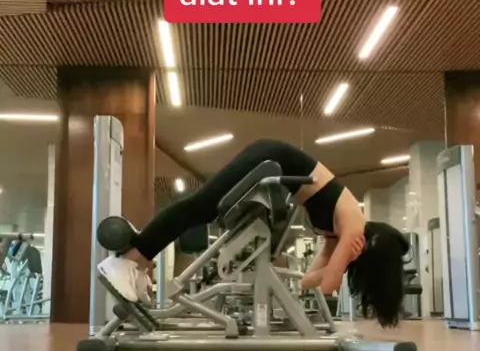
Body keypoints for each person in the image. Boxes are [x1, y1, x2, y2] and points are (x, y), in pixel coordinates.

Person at [98, 139, 409, 327]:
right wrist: (341, 261)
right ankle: (129, 260)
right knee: (200, 206)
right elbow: (329, 284)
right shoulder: (352, 227)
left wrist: (337, 261)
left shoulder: (337, 235)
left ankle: (138, 263)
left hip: (275, 162)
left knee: (201, 208)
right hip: (272, 157)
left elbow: (311, 283)